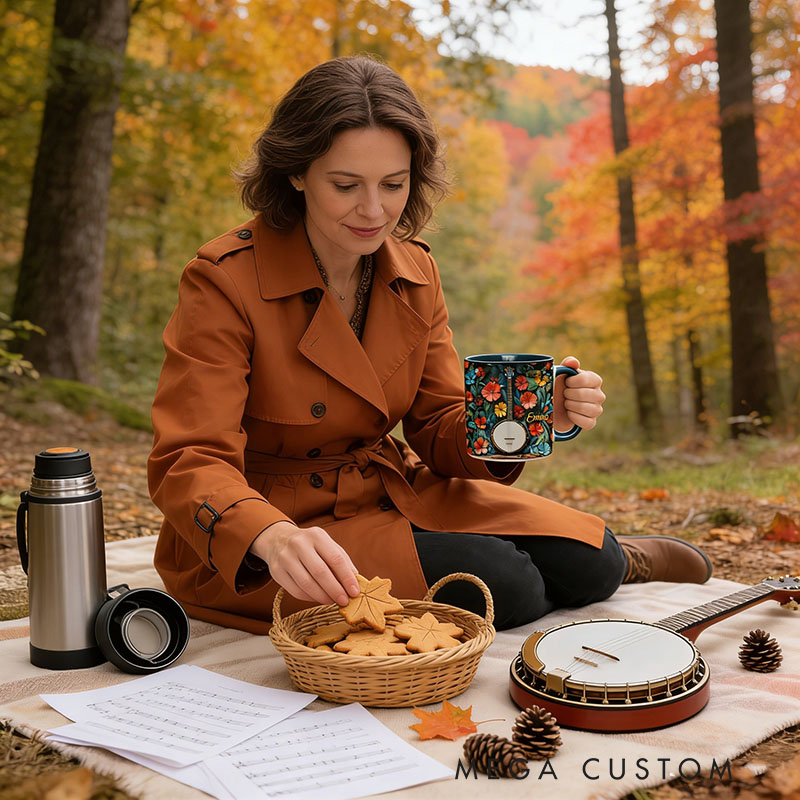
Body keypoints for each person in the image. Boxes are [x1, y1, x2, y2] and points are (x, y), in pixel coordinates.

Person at [147, 55, 712, 635]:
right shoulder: (224, 278)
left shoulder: (414, 271)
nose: (374, 211)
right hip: (274, 532)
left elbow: (439, 423)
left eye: (393, 184)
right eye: (346, 185)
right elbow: (189, 458)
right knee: (503, 584)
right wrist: (271, 536)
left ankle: (620, 560)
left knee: (592, 563)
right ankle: (535, 571)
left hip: (391, 492)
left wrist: (528, 414)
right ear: (296, 174)